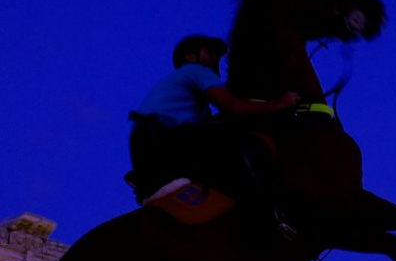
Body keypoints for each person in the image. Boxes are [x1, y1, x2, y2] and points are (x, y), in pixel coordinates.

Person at [127, 35, 300, 212]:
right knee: (248, 143)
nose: (216, 58)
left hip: (145, 150)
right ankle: (273, 209)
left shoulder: (188, 100)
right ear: (191, 57)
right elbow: (233, 106)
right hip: (165, 139)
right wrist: (280, 104)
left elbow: (213, 122)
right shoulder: (195, 70)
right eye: (209, 52)